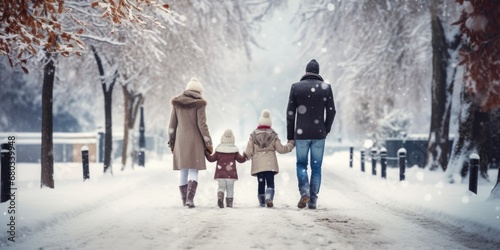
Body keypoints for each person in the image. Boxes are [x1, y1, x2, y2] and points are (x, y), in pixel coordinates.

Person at [286, 59, 336, 209]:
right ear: (318, 73)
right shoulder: (326, 88)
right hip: (319, 134)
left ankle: (304, 192)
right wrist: (325, 129)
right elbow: (332, 111)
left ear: (306, 72)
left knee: (301, 164)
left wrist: (290, 136)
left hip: (301, 134)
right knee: (316, 167)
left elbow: (290, 114)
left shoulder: (296, 87)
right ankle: (313, 200)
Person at [168, 77, 213, 208]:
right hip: (195, 142)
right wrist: (208, 143)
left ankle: (184, 199)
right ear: (199, 91)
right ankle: (190, 199)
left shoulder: (177, 103)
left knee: (183, 170)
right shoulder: (200, 103)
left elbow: (172, 125)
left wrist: (172, 143)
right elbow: (202, 125)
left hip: (180, 142)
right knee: (193, 170)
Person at [244, 109, 295, 208]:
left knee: (261, 183)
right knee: (270, 182)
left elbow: (249, 151)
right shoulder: (273, 135)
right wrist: (291, 144)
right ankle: (269, 197)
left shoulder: (253, 135)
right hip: (270, 164)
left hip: (258, 164)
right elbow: (281, 149)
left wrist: (242, 157)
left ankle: (262, 201)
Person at [205, 129, 247, 208]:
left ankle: (220, 197)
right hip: (231, 174)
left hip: (220, 173)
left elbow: (211, 159)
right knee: (230, 189)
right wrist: (245, 156)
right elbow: (241, 159)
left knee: (221, 187)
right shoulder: (234, 150)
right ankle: (229, 205)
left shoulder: (219, 150)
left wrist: (206, 153)